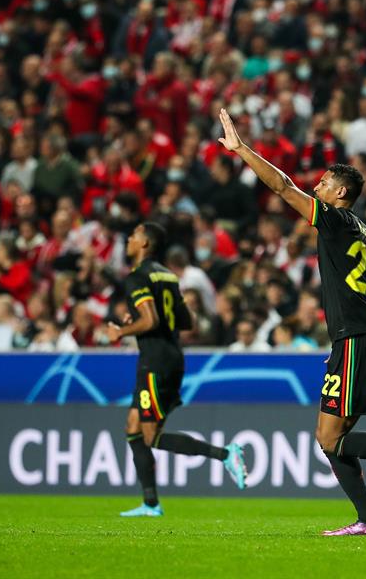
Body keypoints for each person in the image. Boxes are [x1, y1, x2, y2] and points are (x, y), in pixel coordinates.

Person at [217, 109, 366, 537]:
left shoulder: (337, 218)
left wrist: (242, 150)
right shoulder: (358, 227)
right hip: (359, 337)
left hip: (357, 337)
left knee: (331, 439)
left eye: (323, 183)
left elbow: (283, 187)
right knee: (330, 437)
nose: (316, 186)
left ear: (340, 191)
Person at [106, 222, 247, 517]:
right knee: (133, 427)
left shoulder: (138, 277)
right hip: (169, 356)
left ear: (144, 243)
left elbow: (150, 320)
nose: (129, 239)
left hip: (155, 361)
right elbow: (187, 322)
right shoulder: (167, 276)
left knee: (150, 436)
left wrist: (121, 331)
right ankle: (150, 504)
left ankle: (225, 455)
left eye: (133, 235)